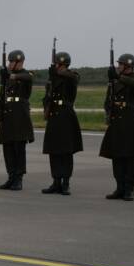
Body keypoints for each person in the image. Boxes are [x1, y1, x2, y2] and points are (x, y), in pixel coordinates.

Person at [100, 53, 134, 200]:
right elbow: (108, 99)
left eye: (120, 64)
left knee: (130, 157)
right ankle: (120, 187)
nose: (118, 67)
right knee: (117, 156)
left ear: (128, 66)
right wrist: (108, 112)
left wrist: (118, 77)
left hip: (130, 122)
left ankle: (129, 189)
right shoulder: (114, 82)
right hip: (116, 121)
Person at [40, 52, 83, 195]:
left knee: (66, 151)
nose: (57, 67)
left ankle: (66, 183)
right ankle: (56, 181)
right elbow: (47, 97)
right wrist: (46, 109)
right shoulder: (52, 79)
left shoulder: (71, 76)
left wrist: (59, 74)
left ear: (65, 65)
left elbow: (74, 78)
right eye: (57, 65)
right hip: (54, 115)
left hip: (66, 115)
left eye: (59, 65)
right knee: (54, 150)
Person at [0, 49, 33, 190]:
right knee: (8, 148)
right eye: (9, 62)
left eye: (13, 62)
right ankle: (11, 177)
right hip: (8, 116)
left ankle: (19, 178)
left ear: (20, 62)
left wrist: (10, 76)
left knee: (18, 148)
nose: (10, 64)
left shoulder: (25, 75)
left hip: (19, 116)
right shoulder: (7, 77)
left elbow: (28, 78)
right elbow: (2, 93)